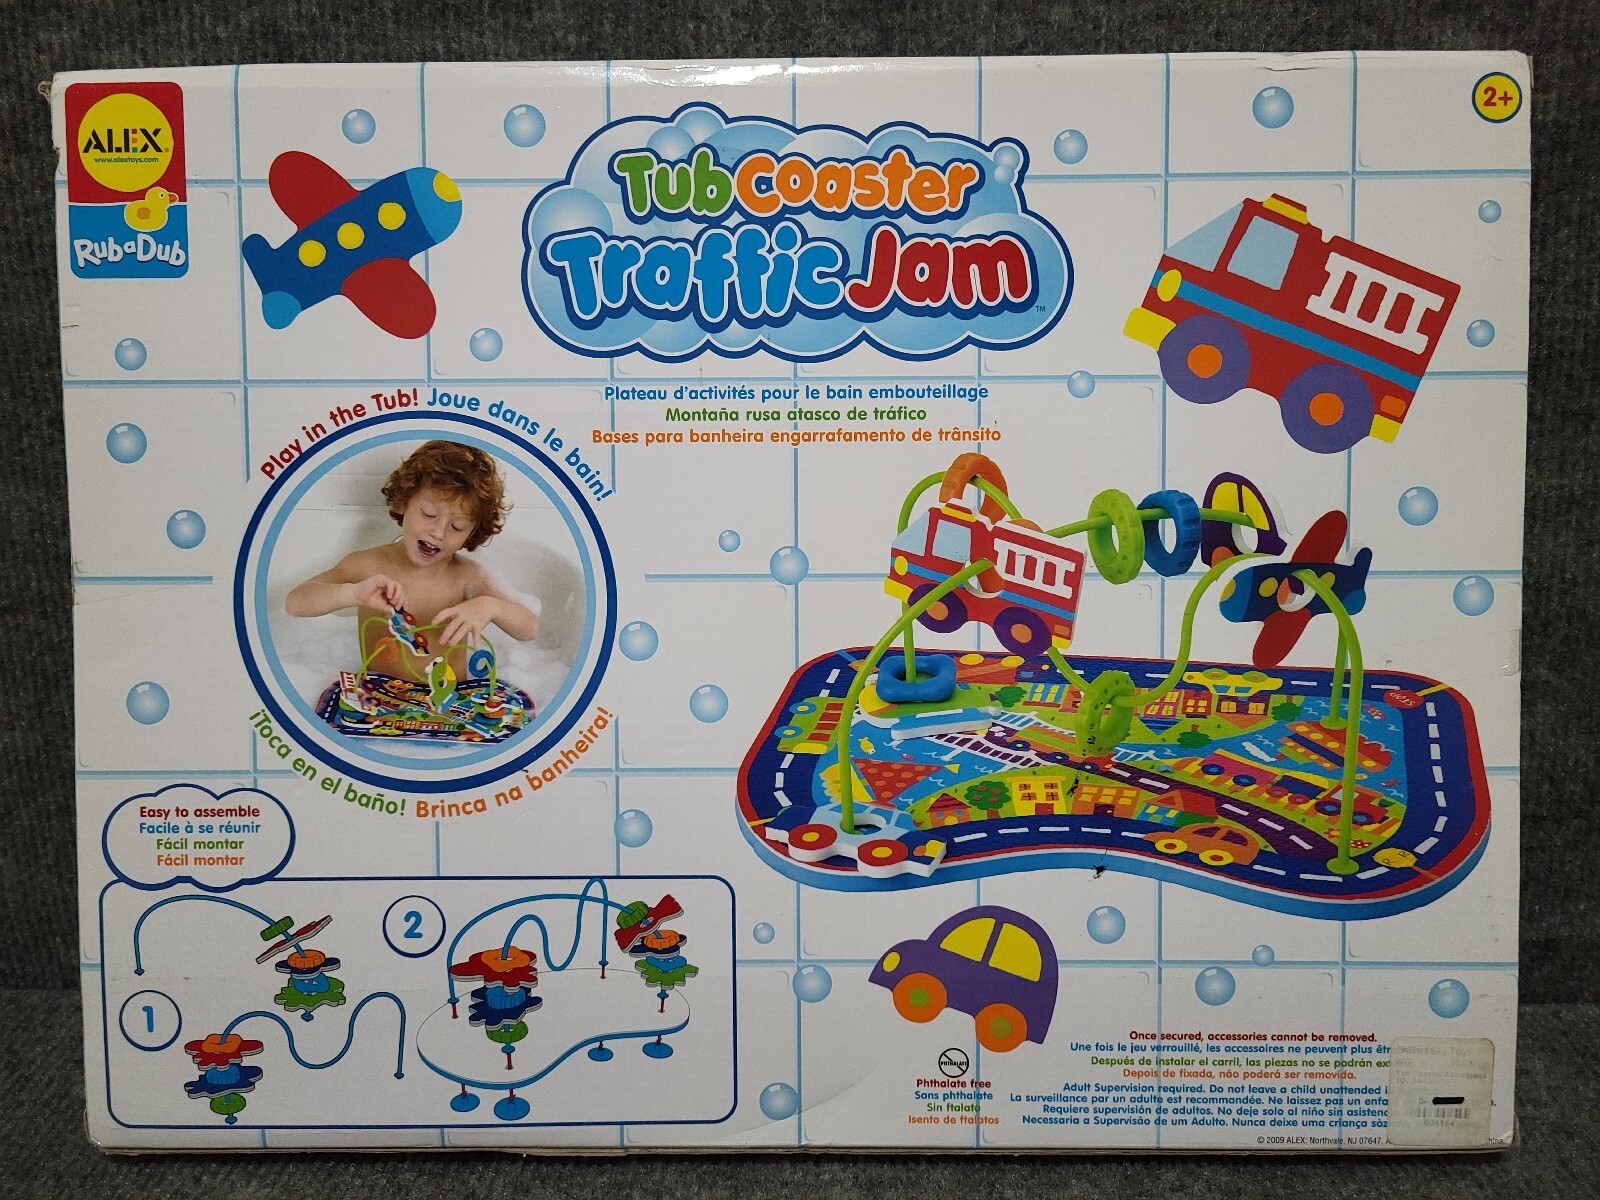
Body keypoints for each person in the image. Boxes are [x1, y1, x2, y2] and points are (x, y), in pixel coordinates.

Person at [285, 441, 539, 677]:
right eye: (429, 514)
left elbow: (529, 629)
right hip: (381, 697)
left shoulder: (468, 576)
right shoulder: (368, 565)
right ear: (403, 502)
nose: (438, 532)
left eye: (457, 526)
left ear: (472, 533)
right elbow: (295, 603)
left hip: (452, 700)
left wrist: (491, 607)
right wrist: (352, 594)